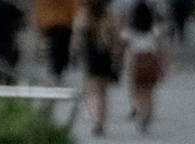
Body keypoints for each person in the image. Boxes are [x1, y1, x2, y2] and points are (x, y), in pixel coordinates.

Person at [72, 0, 121, 136]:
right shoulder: (110, 16)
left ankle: (96, 118)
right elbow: (117, 39)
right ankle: (102, 120)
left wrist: (74, 54)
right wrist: (117, 57)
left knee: (93, 90)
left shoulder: (83, 17)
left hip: (90, 56)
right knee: (103, 92)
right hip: (106, 57)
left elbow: (76, 38)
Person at [122, 0, 163, 133]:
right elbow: (159, 50)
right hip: (151, 62)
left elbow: (125, 48)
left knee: (137, 92)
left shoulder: (129, 31)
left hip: (136, 63)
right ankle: (148, 117)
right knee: (149, 93)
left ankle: (139, 113)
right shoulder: (154, 31)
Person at [35, 0, 80, 83]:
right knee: (58, 49)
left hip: (59, 22)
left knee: (59, 49)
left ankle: (57, 71)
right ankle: (57, 71)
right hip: (59, 23)